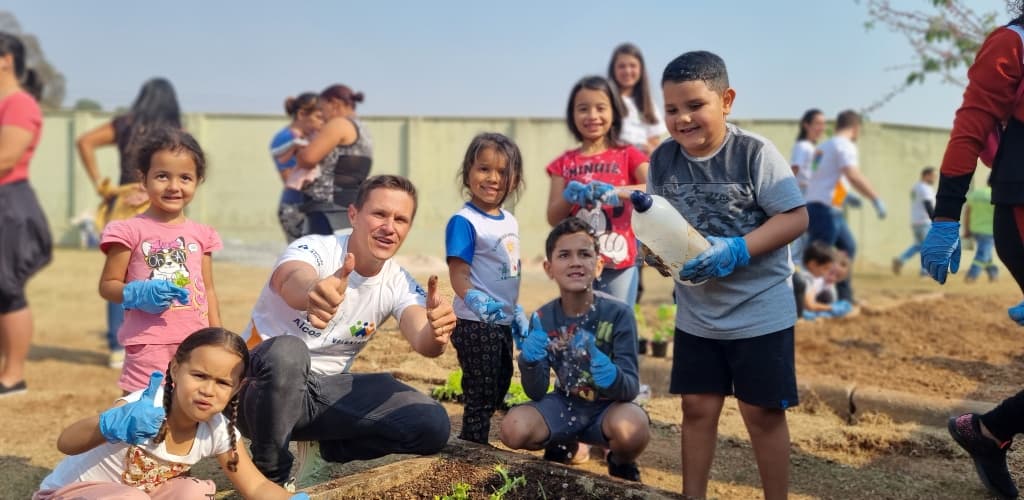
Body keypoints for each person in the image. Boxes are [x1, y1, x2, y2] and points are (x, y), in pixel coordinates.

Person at [650, 51, 807, 499]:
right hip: (698, 313)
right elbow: (660, 222)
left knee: (761, 413)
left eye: (695, 105)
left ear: (727, 100)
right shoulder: (662, 161)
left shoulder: (754, 152)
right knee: (697, 407)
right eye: (672, 109)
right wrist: (657, 253)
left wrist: (738, 249)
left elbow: (795, 218)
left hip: (760, 310)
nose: (683, 119)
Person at [237, 175, 456, 488]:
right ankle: (271, 479)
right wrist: (313, 290)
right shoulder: (314, 248)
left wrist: (437, 332)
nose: (389, 227)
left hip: (321, 397)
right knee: (288, 352)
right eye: (379, 214)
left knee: (431, 423)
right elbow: (289, 279)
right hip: (257, 392)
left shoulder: (399, 282)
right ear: (353, 214)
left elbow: (422, 337)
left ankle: (327, 448)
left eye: (401, 219)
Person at [920, 6, 1024, 498]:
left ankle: (989, 431)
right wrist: (945, 217)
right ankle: (988, 431)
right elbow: (970, 126)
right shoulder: (1014, 41)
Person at [34, 328, 305, 499]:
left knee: (190, 492)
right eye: (199, 375)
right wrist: (108, 424)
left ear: (237, 389)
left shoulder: (219, 431)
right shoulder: (143, 407)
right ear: (175, 369)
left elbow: (256, 486)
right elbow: (66, 443)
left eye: (223, 383)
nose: (208, 390)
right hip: (66, 494)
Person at [499, 218, 648, 482]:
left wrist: (610, 375)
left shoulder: (619, 314)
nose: (576, 262)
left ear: (599, 265)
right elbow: (536, 391)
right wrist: (529, 362)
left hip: (607, 409)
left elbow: (630, 387)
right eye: (565, 255)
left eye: (585, 254)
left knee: (633, 428)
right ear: (549, 268)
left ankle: (620, 461)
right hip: (564, 405)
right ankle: (562, 441)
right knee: (513, 428)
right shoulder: (543, 318)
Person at [98, 127, 222, 393]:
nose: (174, 186)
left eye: (185, 177)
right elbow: (108, 285)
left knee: (188, 414)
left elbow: (208, 290)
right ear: (143, 179)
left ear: (198, 180)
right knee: (141, 415)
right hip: (148, 344)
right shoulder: (127, 231)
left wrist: (217, 338)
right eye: (162, 176)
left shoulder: (202, 235)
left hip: (195, 343)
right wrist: (137, 292)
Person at [76, 77, 183, 369]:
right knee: (161, 272)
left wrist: (101, 184)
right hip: (158, 205)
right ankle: (157, 341)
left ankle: (116, 346)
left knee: (118, 275)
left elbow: (84, 141)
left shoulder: (125, 124)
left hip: (123, 204)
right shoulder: (176, 132)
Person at [444, 133, 524, 444]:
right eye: (484, 169)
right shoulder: (464, 222)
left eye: (503, 172)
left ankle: (476, 440)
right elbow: (458, 274)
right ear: (467, 173)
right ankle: (473, 445)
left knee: (500, 381)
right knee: (480, 388)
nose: (493, 178)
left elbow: (509, 269)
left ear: (515, 179)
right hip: (475, 322)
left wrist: (514, 309)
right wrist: (476, 300)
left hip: (501, 321)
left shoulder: (510, 221)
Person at [546, 75, 649, 308]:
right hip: (577, 264)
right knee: (581, 325)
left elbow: (657, 187)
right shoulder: (563, 163)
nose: (592, 116)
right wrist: (568, 198)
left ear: (614, 111)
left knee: (618, 324)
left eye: (600, 108)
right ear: (572, 114)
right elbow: (553, 218)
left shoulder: (628, 154)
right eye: (583, 109)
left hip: (620, 260)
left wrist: (618, 191)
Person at [0, 32, 50, 397]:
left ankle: (13, 376)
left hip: (9, 204)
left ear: (6, 59)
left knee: (6, 289)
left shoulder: (19, 104)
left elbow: (6, 157)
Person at [805, 109, 887, 303]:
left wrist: (844, 196)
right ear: (855, 128)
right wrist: (875, 197)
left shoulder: (822, 148)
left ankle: (844, 297)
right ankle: (809, 300)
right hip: (825, 210)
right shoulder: (846, 146)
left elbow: (824, 177)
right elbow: (852, 174)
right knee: (820, 257)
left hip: (822, 207)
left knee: (847, 247)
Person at [607, 42, 666, 305]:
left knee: (637, 246)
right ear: (614, 69)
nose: (627, 71)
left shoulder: (647, 105)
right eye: (622, 65)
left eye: (632, 65)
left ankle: (632, 307)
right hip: (613, 179)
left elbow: (657, 143)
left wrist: (643, 149)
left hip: (639, 182)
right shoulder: (607, 100)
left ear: (640, 70)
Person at [295, 84, 372, 236]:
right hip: (346, 207)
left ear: (335, 104)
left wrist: (299, 151)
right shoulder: (363, 129)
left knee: (320, 257)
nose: (322, 116)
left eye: (322, 109)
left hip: (327, 210)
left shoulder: (339, 124)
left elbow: (308, 158)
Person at [270, 93, 323, 242]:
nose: (322, 122)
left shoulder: (310, 137)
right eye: (318, 117)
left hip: (309, 206)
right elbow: (287, 176)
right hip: (295, 207)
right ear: (301, 114)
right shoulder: (286, 139)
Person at [788, 109, 826, 268]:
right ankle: (797, 271)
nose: (821, 128)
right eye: (817, 123)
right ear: (806, 125)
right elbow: (794, 169)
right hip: (803, 195)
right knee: (801, 238)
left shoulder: (816, 149)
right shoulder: (803, 146)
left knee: (808, 237)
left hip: (815, 195)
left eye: (823, 124)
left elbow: (817, 173)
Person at [892, 167, 937, 276]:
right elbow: (928, 204)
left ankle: (901, 259)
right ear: (925, 175)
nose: (935, 178)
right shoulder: (925, 188)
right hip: (924, 221)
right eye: (933, 176)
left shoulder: (915, 187)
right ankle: (925, 271)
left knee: (919, 246)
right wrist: (934, 220)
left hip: (916, 221)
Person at [794, 242, 852, 321]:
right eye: (825, 268)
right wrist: (832, 308)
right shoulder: (806, 278)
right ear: (813, 264)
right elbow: (810, 305)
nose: (826, 273)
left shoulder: (807, 277)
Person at [963, 177, 998, 283]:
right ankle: (972, 275)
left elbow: (967, 213)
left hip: (975, 229)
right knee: (983, 253)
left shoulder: (975, 194)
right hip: (989, 230)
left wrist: (966, 229)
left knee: (986, 252)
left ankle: (993, 273)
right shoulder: (997, 195)